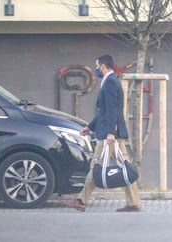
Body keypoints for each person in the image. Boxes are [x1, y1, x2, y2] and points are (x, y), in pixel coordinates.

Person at [63, 54, 141, 212]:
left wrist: (110, 133)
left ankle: (81, 200)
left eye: (97, 66)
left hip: (109, 134)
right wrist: (90, 127)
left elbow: (112, 110)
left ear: (104, 66)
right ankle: (133, 202)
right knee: (124, 166)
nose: (96, 69)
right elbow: (104, 110)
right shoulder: (110, 81)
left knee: (97, 164)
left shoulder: (111, 82)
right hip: (111, 132)